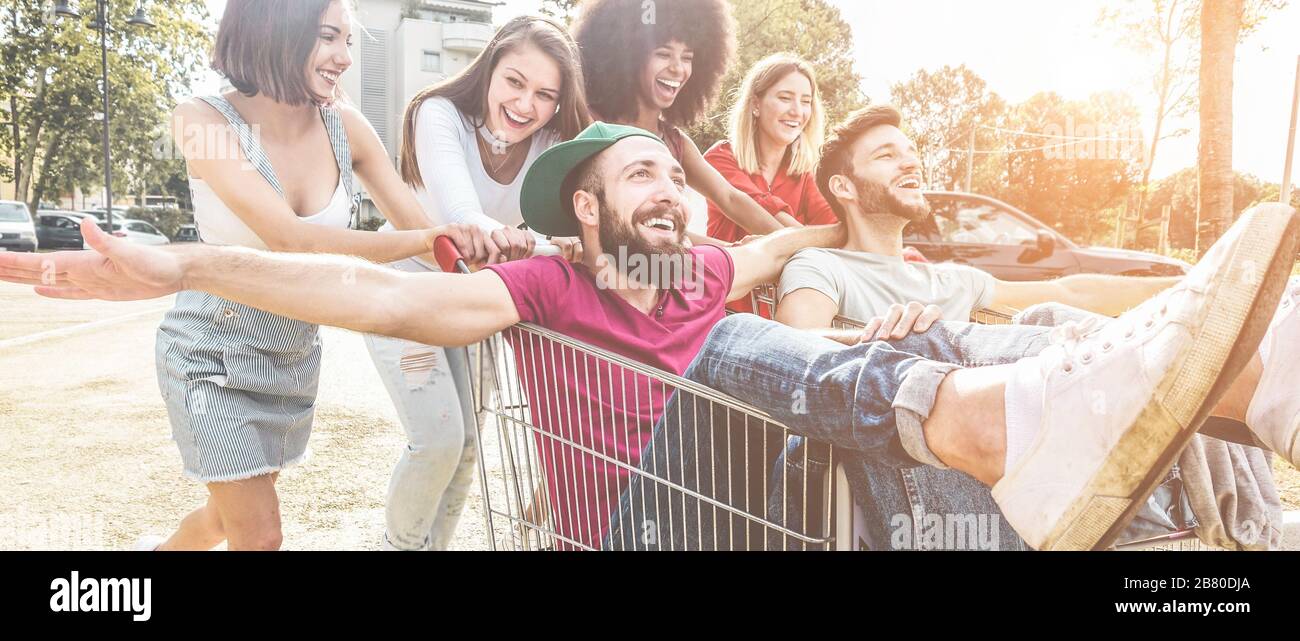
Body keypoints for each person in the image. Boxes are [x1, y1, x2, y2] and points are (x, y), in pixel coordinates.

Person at [3, 123, 1295, 553]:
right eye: (638, 177)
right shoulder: (552, 291)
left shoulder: (721, 262)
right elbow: (375, 301)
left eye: (674, 178)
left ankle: (1224, 458)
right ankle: (987, 416)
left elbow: (796, 249)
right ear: (588, 207)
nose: (668, 191)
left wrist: (900, 289)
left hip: (778, 495)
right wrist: (172, 261)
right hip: (642, 517)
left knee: (1000, 342)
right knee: (728, 357)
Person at [772, 105, 1289, 548]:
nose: (910, 161)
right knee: (931, 345)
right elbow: (796, 352)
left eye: (909, 151)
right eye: (886, 155)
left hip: (996, 468)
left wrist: (1195, 289)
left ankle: (1195, 351)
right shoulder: (822, 266)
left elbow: (1071, 291)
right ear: (844, 185)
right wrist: (880, 339)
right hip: (909, 464)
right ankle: (1219, 411)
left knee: (1048, 316)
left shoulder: (946, 278)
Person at [137, 0, 521, 551]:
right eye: (327, 37)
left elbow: (423, 228)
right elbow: (289, 239)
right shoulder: (199, 120)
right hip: (210, 355)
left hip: (291, 359)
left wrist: (481, 257)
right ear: (273, 30)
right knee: (260, 535)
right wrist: (424, 241)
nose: (344, 56)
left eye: (348, 40)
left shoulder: (346, 127)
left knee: (224, 519)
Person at [370, 15, 591, 551]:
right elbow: (463, 219)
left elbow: (580, 225)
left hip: (475, 296)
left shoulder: (553, 145)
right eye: (514, 82)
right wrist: (532, 242)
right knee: (438, 441)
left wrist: (568, 242)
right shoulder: (438, 114)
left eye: (544, 95)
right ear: (489, 69)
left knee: (469, 448)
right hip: (410, 288)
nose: (525, 105)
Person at [572, 0, 795, 238]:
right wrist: (730, 250)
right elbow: (628, 227)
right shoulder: (591, 123)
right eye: (663, 54)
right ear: (627, 57)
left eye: (687, 57)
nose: (678, 69)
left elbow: (729, 198)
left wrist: (795, 247)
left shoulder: (675, 142)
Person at [703, 53, 838, 314]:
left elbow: (835, 229)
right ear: (756, 104)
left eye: (806, 101)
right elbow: (759, 213)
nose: (797, 111)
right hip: (725, 314)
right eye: (785, 98)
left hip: (782, 318)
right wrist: (816, 242)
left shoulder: (806, 174)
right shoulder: (721, 158)